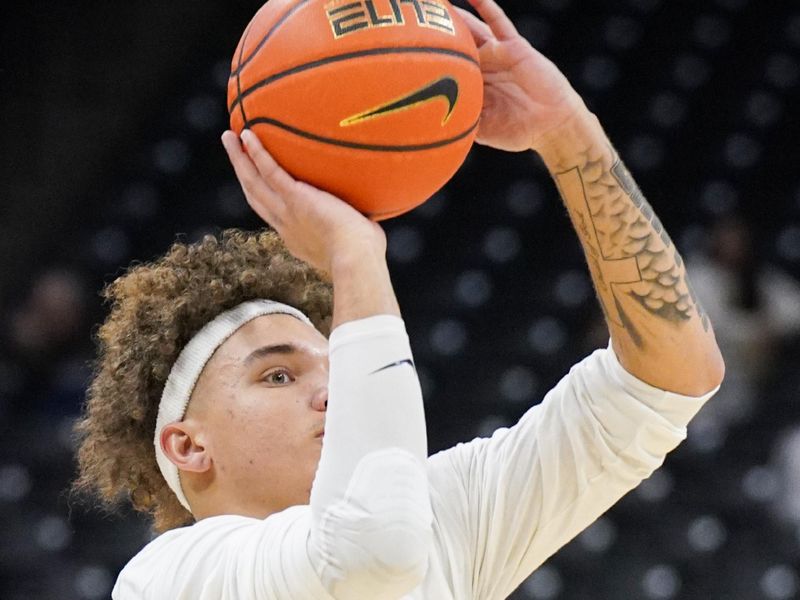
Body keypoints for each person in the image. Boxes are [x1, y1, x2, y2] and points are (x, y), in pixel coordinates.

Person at [73, 0, 725, 598]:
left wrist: (567, 135)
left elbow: (670, 379)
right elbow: (369, 548)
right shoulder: (172, 576)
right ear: (188, 446)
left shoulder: (448, 521)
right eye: (277, 374)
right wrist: (354, 256)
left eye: (338, 365)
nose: (335, 391)